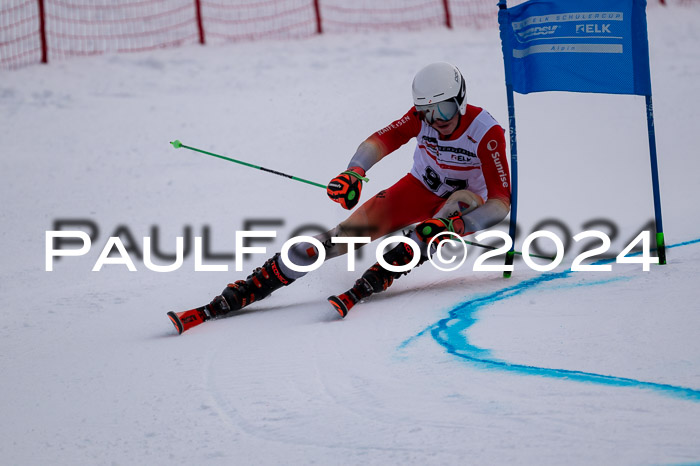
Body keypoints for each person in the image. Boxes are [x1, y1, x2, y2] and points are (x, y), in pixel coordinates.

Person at [167, 62, 511, 334]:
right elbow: (380, 141)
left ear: (461, 100)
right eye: (428, 113)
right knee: (338, 240)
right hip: (418, 188)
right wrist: (353, 172)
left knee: (448, 214)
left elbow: (500, 201)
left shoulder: (486, 132)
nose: (437, 122)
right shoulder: (421, 118)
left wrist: (459, 226)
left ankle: (408, 251)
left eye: (446, 111)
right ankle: (253, 285)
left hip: (464, 205)